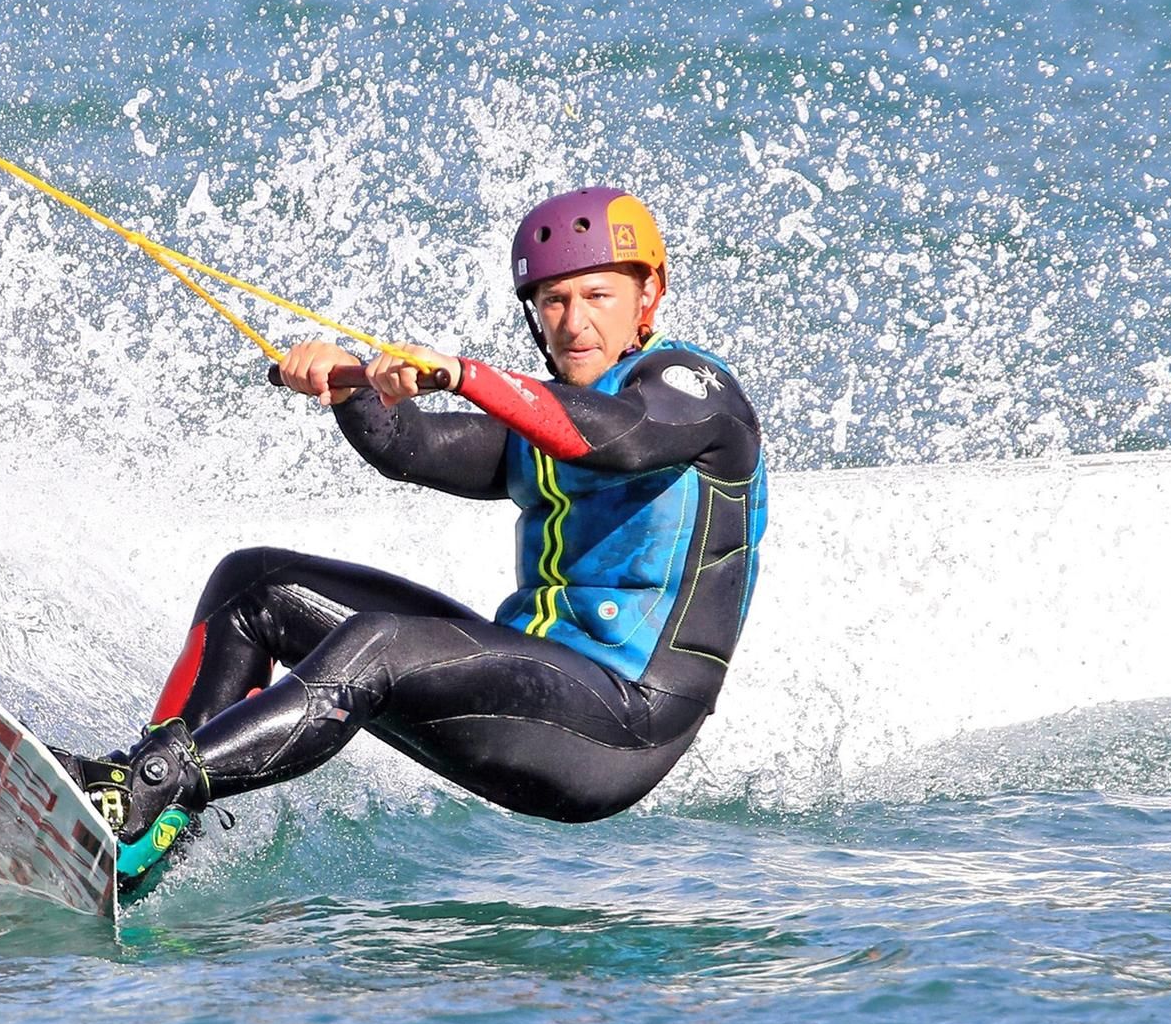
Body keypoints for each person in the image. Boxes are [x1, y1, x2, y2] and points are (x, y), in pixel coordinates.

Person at [68, 186, 768, 898]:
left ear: (649, 294)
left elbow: (616, 438)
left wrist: (466, 375)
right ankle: (147, 835)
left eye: (598, 296)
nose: (574, 322)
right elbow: (415, 445)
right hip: (537, 686)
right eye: (553, 301)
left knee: (383, 641)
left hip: (622, 726)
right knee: (257, 585)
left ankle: (145, 787)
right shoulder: (545, 416)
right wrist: (349, 391)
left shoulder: (696, 393)